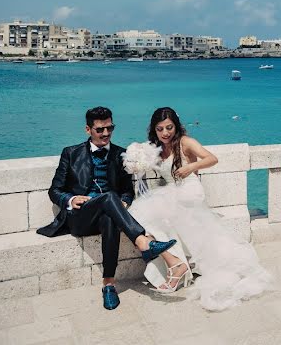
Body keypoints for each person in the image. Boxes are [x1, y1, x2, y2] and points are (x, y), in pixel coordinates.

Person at [129, 107, 272, 310]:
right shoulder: (156, 147)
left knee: (154, 211)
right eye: (160, 129)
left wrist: (190, 167)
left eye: (169, 128)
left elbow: (212, 158)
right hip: (171, 191)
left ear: (176, 126)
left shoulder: (185, 142)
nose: (165, 133)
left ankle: (177, 265)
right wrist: (138, 162)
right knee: (142, 214)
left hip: (189, 190)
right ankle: (176, 263)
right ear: (154, 130)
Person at [37, 106, 177, 310]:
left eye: (110, 128)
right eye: (100, 130)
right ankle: (143, 242)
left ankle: (109, 285)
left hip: (107, 215)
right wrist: (71, 198)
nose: (106, 134)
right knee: (109, 197)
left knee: (110, 214)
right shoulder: (70, 153)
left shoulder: (121, 154)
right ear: (88, 130)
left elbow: (128, 191)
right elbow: (54, 190)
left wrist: (124, 202)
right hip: (80, 217)